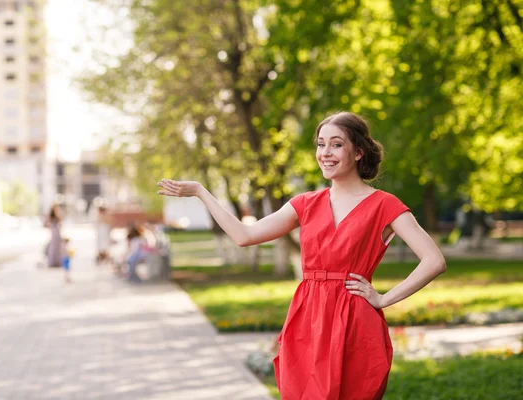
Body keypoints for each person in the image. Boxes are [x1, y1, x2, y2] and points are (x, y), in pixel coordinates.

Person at [157, 111, 447, 399]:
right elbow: (244, 236)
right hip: (308, 320)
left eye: (336, 144)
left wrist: (383, 299)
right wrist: (200, 192)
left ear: (358, 152)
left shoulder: (384, 205)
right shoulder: (305, 204)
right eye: (321, 144)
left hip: (355, 323)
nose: (325, 153)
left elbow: (434, 261)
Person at [45, 204, 63, 268]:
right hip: (53, 232)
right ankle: (52, 262)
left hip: (57, 233)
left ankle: (58, 262)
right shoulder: (51, 216)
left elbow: (61, 223)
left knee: (58, 247)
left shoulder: (58, 215)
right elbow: (47, 223)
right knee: (53, 247)